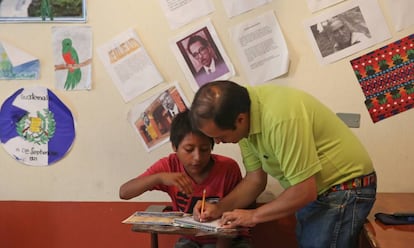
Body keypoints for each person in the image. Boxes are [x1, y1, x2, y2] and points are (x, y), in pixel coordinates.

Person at [189, 80, 377, 248]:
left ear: (240, 119)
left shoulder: (280, 117)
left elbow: (304, 190)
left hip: (345, 187)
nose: (219, 143)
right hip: (318, 193)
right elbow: (255, 180)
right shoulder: (244, 119)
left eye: (221, 136)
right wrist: (219, 208)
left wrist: (253, 216)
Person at [119, 110, 252, 248]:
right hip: (192, 240)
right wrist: (159, 178)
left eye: (205, 149)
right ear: (174, 147)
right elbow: (124, 192)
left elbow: (233, 218)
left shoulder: (228, 168)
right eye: (189, 149)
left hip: (230, 238)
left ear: (213, 145)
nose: (197, 157)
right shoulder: (169, 166)